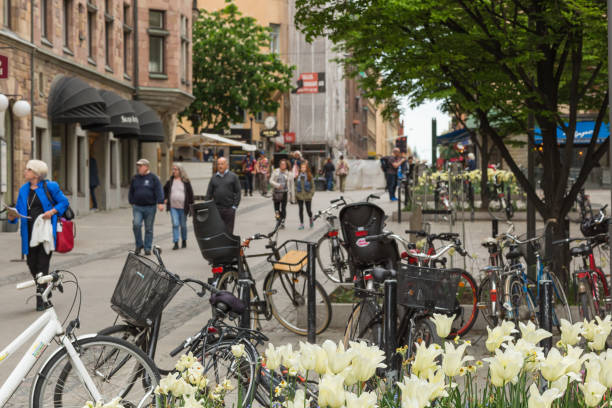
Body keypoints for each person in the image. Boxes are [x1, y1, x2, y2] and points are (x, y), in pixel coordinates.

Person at [7, 160, 70, 311]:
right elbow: (20, 209)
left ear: (35, 173)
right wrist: (12, 216)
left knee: (42, 265)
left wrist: (52, 212)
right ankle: (46, 286)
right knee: (31, 264)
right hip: (28, 232)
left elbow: (64, 202)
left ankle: (41, 299)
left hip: (45, 232)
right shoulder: (23, 189)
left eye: (28, 169)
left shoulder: (50, 186)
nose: (25, 172)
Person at [128, 158, 165, 256]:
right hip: (137, 207)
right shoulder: (135, 178)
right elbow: (131, 190)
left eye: (140, 166)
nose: (138, 168)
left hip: (150, 207)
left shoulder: (153, 178)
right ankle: (139, 245)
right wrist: (131, 201)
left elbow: (159, 190)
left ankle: (147, 248)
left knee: (148, 228)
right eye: (138, 166)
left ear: (146, 166)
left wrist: (160, 202)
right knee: (136, 225)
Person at [205, 157, 241, 234]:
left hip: (229, 209)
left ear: (226, 165)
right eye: (218, 164)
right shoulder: (214, 178)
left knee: (228, 231)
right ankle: (219, 245)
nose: (220, 166)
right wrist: (207, 207)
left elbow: (238, 192)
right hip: (216, 209)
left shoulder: (233, 177)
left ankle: (228, 245)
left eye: (222, 164)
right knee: (217, 231)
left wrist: (234, 207)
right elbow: (209, 193)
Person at [164, 163, 194, 250]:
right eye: (173, 169)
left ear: (180, 171)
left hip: (183, 208)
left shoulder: (186, 182)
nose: (174, 171)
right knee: (175, 224)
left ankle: (184, 240)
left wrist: (191, 206)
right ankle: (176, 242)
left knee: (183, 226)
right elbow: (164, 190)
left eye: (176, 169)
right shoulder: (170, 181)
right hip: (173, 207)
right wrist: (165, 198)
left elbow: (190, 194)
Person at [269, 159, 294, 228]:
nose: (282, 165)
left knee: (283, 208)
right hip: (276, 193)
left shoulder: (289, 173)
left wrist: (293, 198)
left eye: (284, 164)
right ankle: (278, 220)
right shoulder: (275, 171)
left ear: (286, 165)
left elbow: (292, 185)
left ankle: (282, 221)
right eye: (281, 164)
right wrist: (277, 185)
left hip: (284, 193)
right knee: (276, 210)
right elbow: (270, 181)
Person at [295, 161, 315, 229]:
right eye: (302, 167)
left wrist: (311, 194)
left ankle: (310, 218)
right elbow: (295, 186)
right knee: (300, 209)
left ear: (306, 168)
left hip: (307, 196)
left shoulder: (309, 176)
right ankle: (302, 224)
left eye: (304, 167)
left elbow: (313, 186)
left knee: (308, 210)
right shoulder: (298, 176)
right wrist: (296, 194)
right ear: (300, 168)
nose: (303, 168)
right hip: (300, 195)